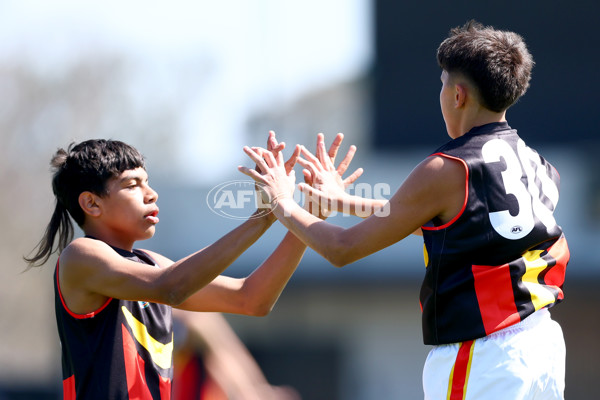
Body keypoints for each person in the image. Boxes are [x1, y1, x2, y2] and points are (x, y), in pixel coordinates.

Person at [239, 21, 570, 399]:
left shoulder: (447, 168)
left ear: (458, 95)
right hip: (541, 344)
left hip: (483, 353)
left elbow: (343, 249)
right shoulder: (541, 166)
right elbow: (451, 223)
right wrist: (339, 200)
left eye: (443, 83)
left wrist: (281, 201)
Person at [24, 133, 359, 399]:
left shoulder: (152, 264)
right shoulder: (81, 256)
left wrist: (310, 213)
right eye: (132, 185)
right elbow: (171, 287)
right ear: (91, 203)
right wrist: (263, 217)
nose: (151, 194)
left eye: (148, 182)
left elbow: (252, 299)